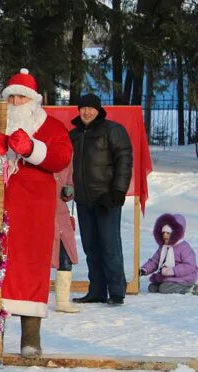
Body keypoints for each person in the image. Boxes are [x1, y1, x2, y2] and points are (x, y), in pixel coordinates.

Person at [0, 69, 73, 357]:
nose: (16, 101)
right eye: (11, 96)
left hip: (32, 212)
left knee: (29, 269)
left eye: (21, 97)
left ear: (33, 100)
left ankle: (30, 339)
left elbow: (62, 157)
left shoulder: (50, 127)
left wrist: (33, 148)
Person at [70, 93, 133, 306]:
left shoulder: (113, 130)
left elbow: (124, 160)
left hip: (107, 198)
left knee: (109, 245)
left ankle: (116, 291)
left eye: (91, 108)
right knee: (90, 247)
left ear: (98, 110)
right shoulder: (75, 135)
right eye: (83, 108)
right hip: (83, 198)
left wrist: (118, 191)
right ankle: (96, 290)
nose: (86, 112)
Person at [139, 213, 197, 294]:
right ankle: (166, 285)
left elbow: (190, 266)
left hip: (183, 278)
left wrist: (172, 271)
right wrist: (145, 269)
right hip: (167, 278)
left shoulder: (184, 247)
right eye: (163, 233)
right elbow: (155, 261)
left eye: (168, 233)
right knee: (152, 287)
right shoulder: (163, 247)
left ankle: (191, 289)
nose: (164, 235)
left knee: (164, 288)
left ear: (176, 233)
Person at [52, 163, 80, 313]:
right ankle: (33, 298)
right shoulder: (41, 150)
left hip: (61, 213)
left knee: (66, 255)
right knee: (39, 258)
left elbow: (70, 182)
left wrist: (69, 192)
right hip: (41, 213)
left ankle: (62, 301)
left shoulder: (68, 157)